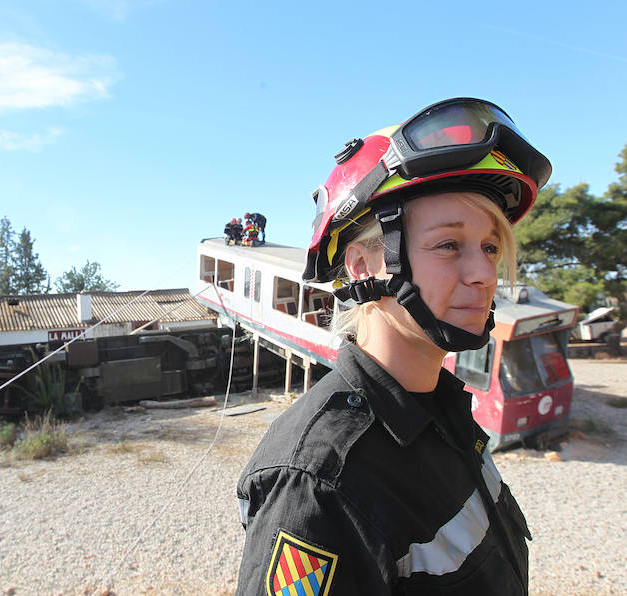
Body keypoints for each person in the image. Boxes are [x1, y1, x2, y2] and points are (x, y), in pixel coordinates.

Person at [236, 98, 550, 595]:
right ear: (362, 266)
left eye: (491, 247)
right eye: (449, 245)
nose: (484, 274)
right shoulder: (320, 479)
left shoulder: (444, 411)